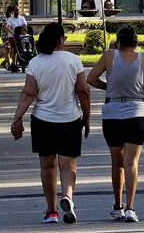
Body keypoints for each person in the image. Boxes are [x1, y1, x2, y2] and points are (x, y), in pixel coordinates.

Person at [10, 22, 90, 224]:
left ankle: (52, 211)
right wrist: (87, 117)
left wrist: (17, 118)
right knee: (68, 165)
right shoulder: (74, 61)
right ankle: (67, 197)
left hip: (42, 121)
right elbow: (83, 91)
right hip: (70, 120)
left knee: (47, 167)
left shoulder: (36, 63)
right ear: (61, 39)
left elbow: (29, 93)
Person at [87, 24, 144, 223]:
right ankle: (131, 207)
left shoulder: (110, 56)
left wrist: (109, 87)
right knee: (132, 162)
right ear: (136, 42)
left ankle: (118, 206)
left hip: (112, 114)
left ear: (118, 42)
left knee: (117, 163)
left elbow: (91, 78)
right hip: (136, 113)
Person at [7, 5, 27, 72]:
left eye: (18, 10)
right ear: (13, 11)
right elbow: (8, 28)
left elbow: (25, 26)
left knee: (22, 47)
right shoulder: (10, 19)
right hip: (12, 36)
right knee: (14, 50)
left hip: (21, 35)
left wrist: (23, 31)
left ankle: (24, 59)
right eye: (16, 10)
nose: (17, 11)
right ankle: (14, 64)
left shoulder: (22, 18)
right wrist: (13, 33)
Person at [0, 5, 14, 71]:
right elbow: (5, 28)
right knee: (7, 50)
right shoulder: (5, 18)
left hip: (11, 35)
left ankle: (4, 63)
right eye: (13, 11)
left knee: (12, 50)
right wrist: (9, 35)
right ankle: (9, 65)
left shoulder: (11, 17)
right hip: (5, 36)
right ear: (10, 11)